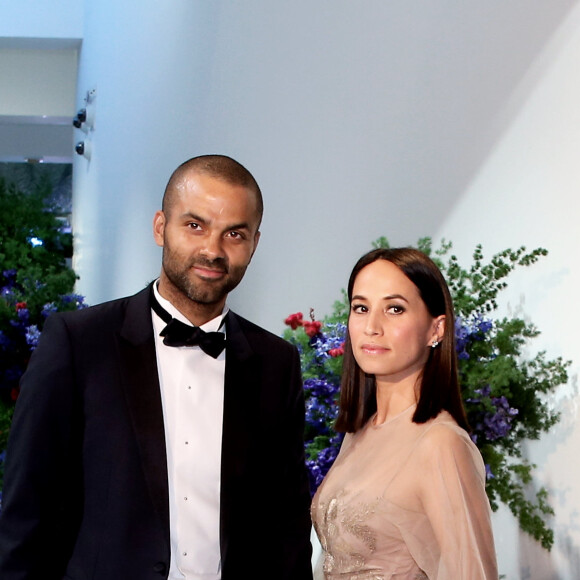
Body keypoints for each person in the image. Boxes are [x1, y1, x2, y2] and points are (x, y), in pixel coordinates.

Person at [0, 155, 314, 580]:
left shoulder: (277, 363)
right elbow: (27, 507)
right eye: (195, 225)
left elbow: (286, 523)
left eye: (234, 234)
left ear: (254, 244)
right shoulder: (78, 342)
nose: (213, 250)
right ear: (160, 227)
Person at [311, 247, 498, 579]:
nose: (372, 326)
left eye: (394, 309)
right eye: (361, 308)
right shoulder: (361, 431)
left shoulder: (441, 444)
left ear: (436, 329)